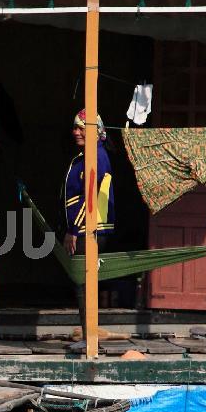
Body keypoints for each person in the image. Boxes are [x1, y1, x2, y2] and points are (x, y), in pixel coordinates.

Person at [62, 109, 115, 340]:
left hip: (88, 229)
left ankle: (88, 339)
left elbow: (91, 196)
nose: (76, 132)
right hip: (83, 228)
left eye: (81, 128)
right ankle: (87, 333)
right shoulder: (87, 156)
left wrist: (73, 230)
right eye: (75, 127)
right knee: (82, 282)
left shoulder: (96, 157)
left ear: (94, 131)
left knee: (83, 283)